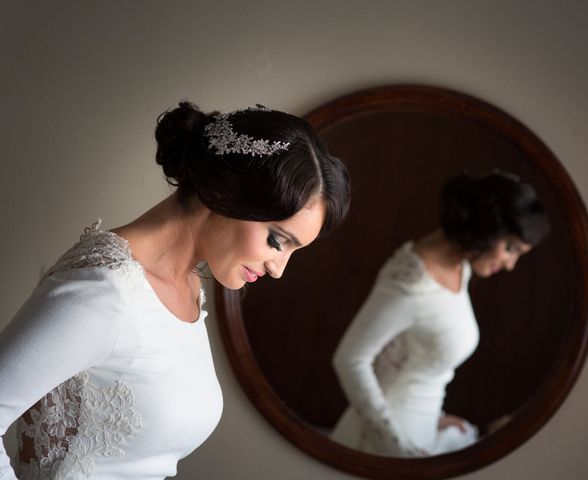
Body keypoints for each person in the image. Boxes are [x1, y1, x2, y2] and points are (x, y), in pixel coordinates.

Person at [0, 102, 350, 479]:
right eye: (277, 241)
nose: (278, 269)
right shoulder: (103, 295)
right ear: (230, 197)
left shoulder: (187, 286)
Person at [331, 171, 548, 458]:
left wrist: (435, 419)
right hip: (387, 447)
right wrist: (398, 450)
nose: (509, 264)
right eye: (510, 248)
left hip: (425, 430)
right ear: (488, 228)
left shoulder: (462, 268)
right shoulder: (409, 286)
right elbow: (350, 359)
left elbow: (420, 355)